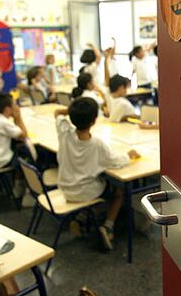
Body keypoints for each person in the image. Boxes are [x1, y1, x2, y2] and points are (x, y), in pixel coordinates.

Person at [54, 97, 140, 249]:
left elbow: (57, 113)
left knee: (99, 181)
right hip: (87, 192)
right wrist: (129, 155)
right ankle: (108, 226)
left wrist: (75, 112)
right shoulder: (97, 145)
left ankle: (81, 218)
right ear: (94, 121)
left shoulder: (64, 133)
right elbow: (116, 161)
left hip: (66, 190)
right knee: (119, 190)